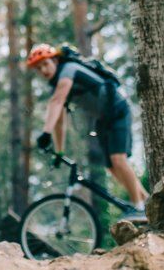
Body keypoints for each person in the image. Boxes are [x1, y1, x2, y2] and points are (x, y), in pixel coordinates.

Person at [26, 43, 149, 216]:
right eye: (39, 69)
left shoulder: (68, 69)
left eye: (45, 64)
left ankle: (138, 208)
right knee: (112, 167)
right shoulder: (57, 85)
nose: (43, 70)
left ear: (55, 60)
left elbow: (56, 102)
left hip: (118, 109)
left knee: (118, 160)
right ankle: (146, 201)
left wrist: (45, 133)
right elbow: (60, 123)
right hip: (103, 120)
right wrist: (59, 152)